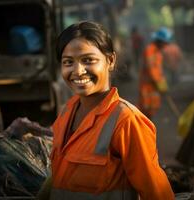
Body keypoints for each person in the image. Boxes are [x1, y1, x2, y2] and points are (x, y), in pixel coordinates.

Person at [37, 21, 174, 200]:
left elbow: (158, 194)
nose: (78, 71)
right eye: (68, 62)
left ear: (110, 60)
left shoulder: (127, 121)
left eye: (88, 60)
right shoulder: (67, 112)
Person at [138, 27, 171, 119]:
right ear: (160, 41)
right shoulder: (150, 50)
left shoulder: (158, 52)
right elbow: (152, 70)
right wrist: (161, 85)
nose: (166, 45)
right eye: (165, 43)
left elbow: (159, 71)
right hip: (147, 86)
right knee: (145, 109)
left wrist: (163, 85)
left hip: (154, 86)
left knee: (152, 109)